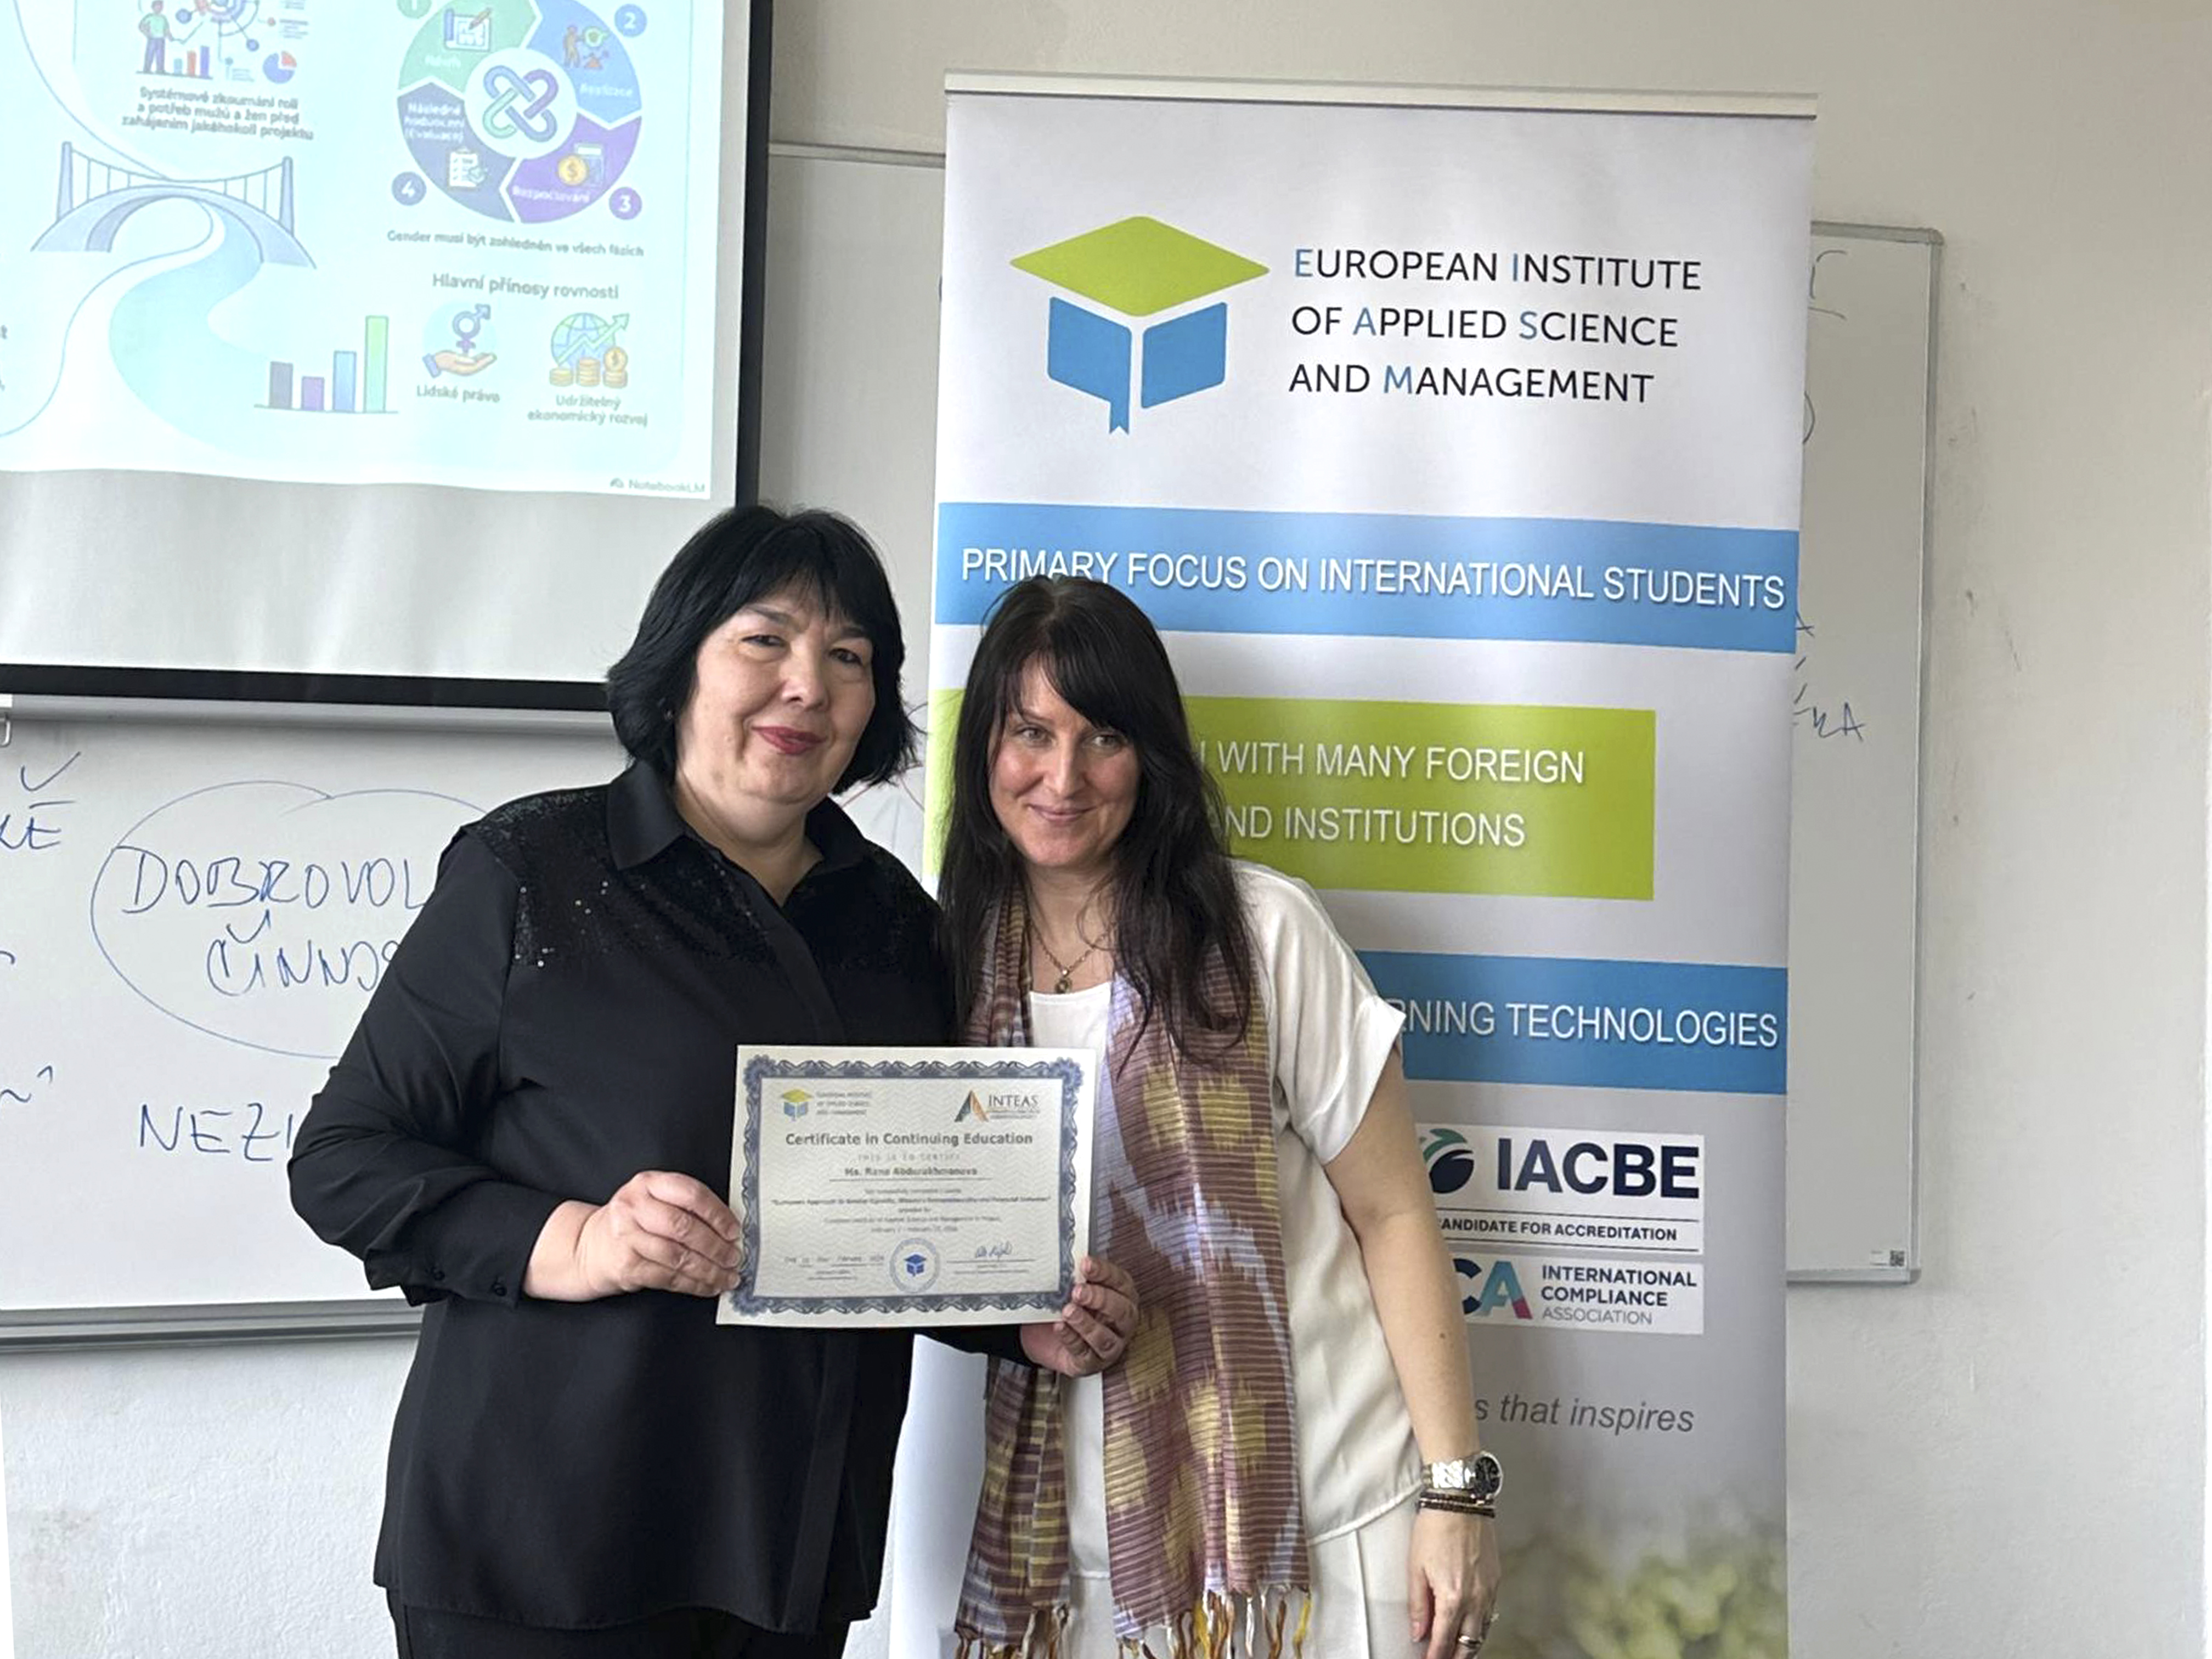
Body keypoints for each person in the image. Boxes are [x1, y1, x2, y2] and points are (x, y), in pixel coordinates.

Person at [289, 508, 1138, 1659]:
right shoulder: (530, 872)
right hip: (542, 1550)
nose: (808, 686)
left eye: (849, 657)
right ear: (682, 658)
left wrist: (1019, 1316)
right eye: (765, 640)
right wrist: (575, 1239)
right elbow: (345, 1160)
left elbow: (886, 1218)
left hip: (789, 1549)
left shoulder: (899, 924)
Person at [937, 577, 1502, 1659]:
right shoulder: (947, 963)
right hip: (1075, 1551)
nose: (1064, 777)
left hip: (1325, 1525)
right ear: (985, 750)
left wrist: (1455, 1494)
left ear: (1151, 756)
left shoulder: (1260, 931)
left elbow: (1393, 1215)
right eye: (1031, 733)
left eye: (1104, 737)